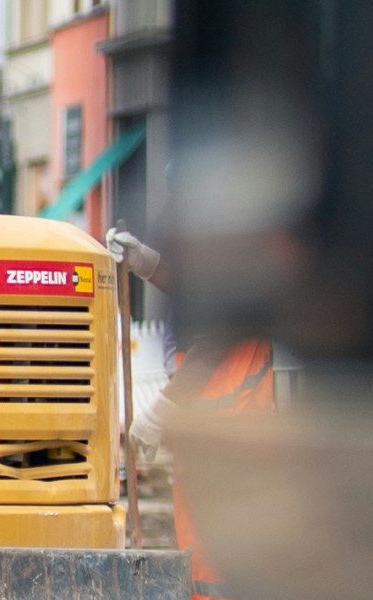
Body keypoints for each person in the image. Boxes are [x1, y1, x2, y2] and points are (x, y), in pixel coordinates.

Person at [109, 227, 275, 600]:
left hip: (233, 444)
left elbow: (218, 336)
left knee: (217, 565)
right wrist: (148, 265)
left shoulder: (245, 251)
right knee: (200, 564)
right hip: (212, 443)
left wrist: (161, 411)